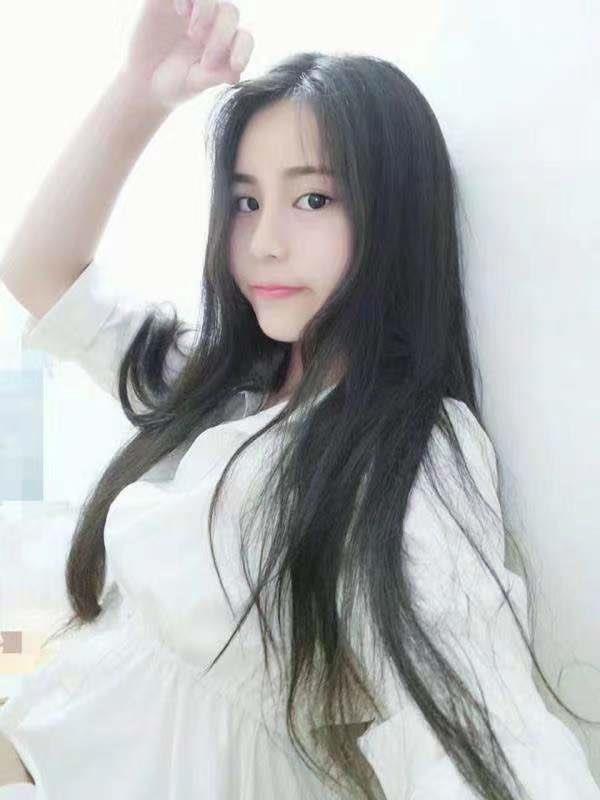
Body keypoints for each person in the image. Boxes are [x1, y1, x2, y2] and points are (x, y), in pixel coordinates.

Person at [1, 1, 599, 798]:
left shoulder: (407, 456)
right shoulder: (225, 385)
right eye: (246, 201)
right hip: (36, 738)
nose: (264, 243)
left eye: (313, 199)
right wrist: (140, 92)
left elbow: (487, 725)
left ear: (392, 215)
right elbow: (41, 273)